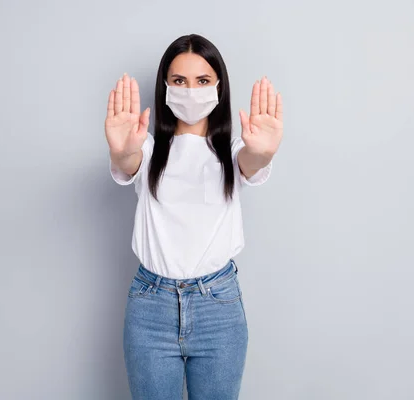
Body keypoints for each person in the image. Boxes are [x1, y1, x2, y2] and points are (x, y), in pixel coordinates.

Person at [105, 33, 283, 400]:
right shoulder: (149, 149)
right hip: (150, 307)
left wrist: (262, 154)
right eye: (179, 81)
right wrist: (122, 151)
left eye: (202, 81)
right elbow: (128, 162)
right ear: (165, 87)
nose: (191, 91)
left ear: (218, 87)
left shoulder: (234, 152)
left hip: (217, 307)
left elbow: (251, 163)